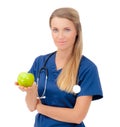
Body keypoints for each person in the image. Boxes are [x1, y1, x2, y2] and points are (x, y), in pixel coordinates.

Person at [16, 7, 103, 127]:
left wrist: (40, 107)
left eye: (67, 30)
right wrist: (31, 92)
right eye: (55, 30)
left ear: (77, 31)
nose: (60, 36)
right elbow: (31, 107)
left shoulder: (87, 68)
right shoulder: (40, 62)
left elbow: (77, 116)